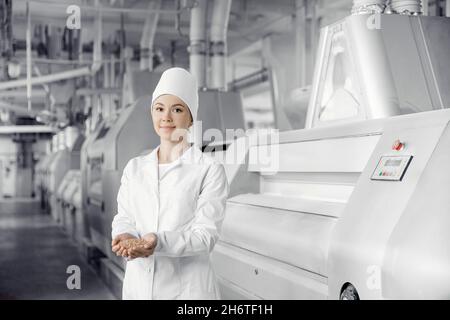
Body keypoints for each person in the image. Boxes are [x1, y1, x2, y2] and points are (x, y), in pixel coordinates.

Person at [111, 67, 230, 300]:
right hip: (139, 288)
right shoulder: (134, 168)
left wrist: (157, 241)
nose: (166, 117)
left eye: (177, 109)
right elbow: (124, 216)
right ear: (152, 113)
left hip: (189, 292)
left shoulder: (209, 170)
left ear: (191, 117)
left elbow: (205, 236)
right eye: (159, 108)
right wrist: (124, 235)